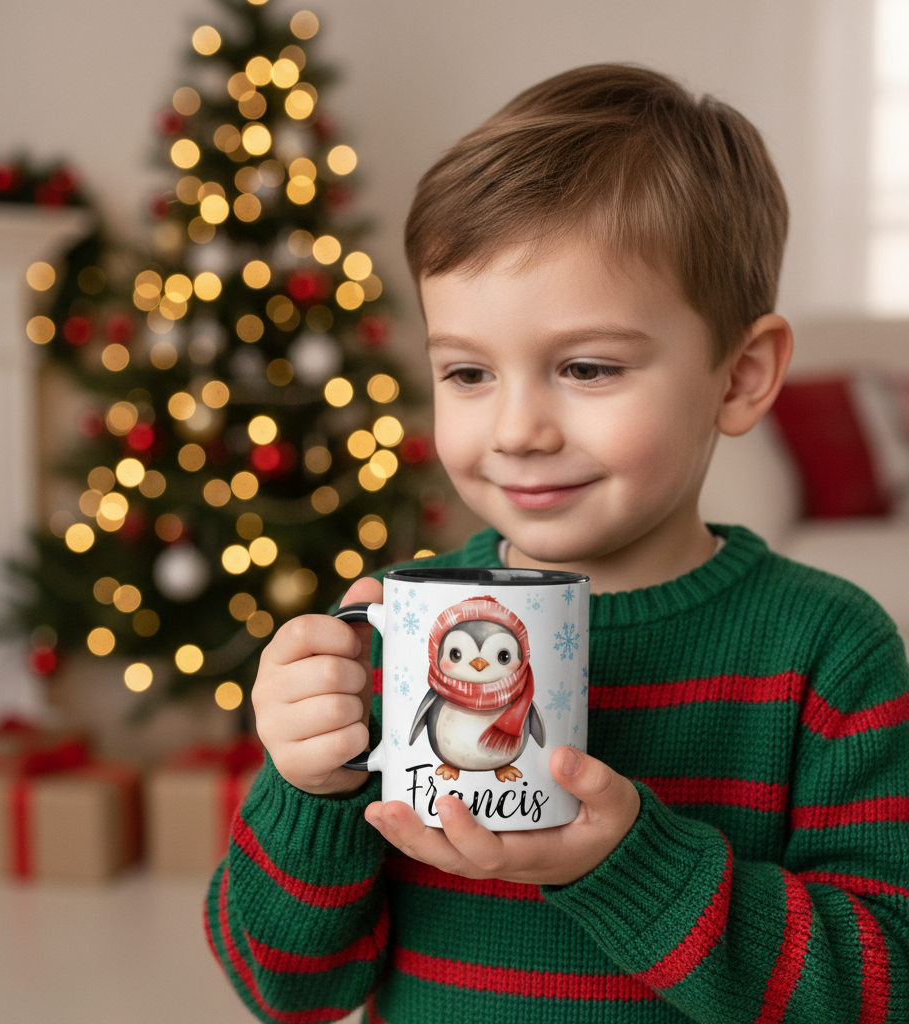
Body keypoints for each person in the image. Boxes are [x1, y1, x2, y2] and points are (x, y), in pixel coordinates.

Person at [207, 64, 909, 1023]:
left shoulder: (830, 650)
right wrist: (308, 792)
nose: (517, 430)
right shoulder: (397, 637)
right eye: (467, 372)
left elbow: (883, 983)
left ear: (740, 377)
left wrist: (629, 865)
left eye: (586, 367)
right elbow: (286, 989)